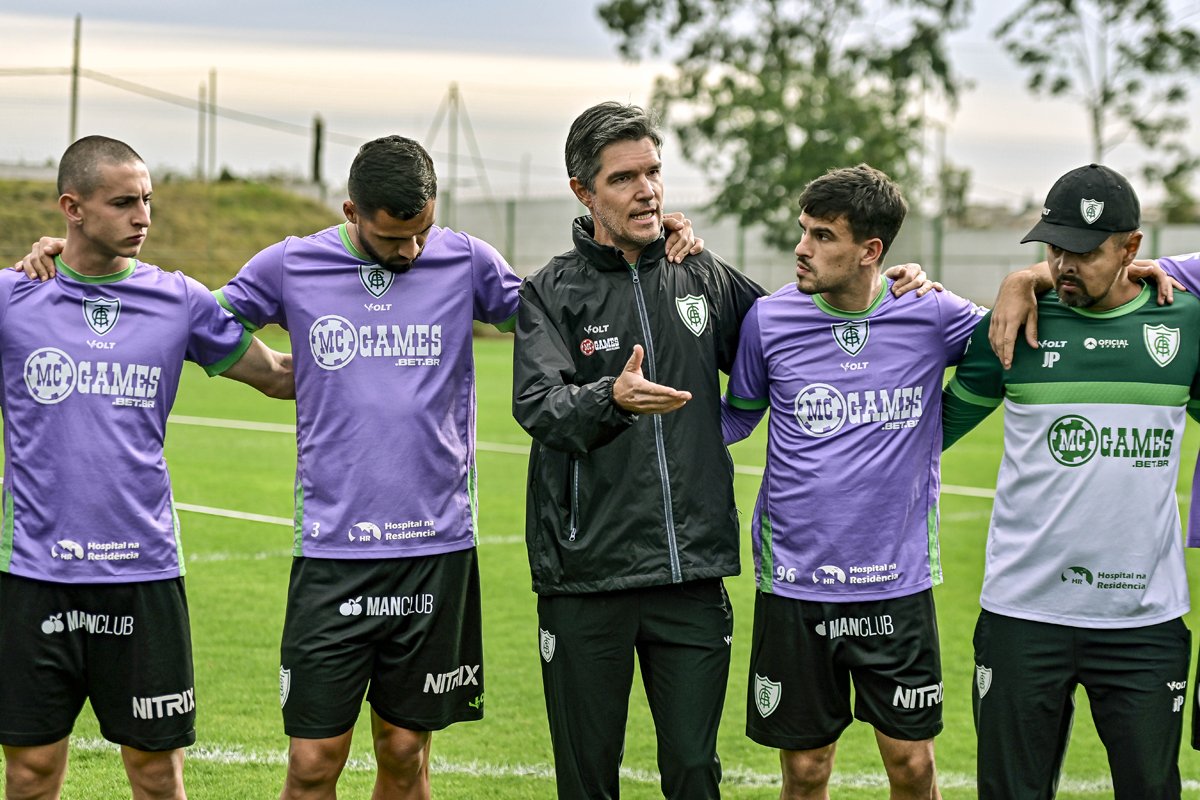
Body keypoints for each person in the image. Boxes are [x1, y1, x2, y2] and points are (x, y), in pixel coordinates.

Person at [13, 134, 705, 800]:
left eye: (420, 234)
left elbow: (565, 305)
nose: (408, 252)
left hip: (437, 550)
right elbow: (189, 322)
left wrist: (639, 244)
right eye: (390, 237)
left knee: (406, 753)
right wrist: (60, 270)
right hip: (331, 551)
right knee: (314, 761)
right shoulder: (290, 264)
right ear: (351, 214)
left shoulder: (464, 260)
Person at [0, 135, 293, 800]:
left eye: (149, 201)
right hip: (34, 576)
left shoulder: (179, 301)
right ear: (71, 208)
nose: (144, 218)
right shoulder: (12, 299)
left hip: (144, 573)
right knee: (31, 772)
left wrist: (362, 342)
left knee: (157, 774)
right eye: (125, 202)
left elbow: (276, 377)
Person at [721, 165, 985, 800]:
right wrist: (652, 421)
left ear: (871, 251)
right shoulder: (768, 320)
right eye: (803, 231)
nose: (802, 248)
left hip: (895, 582)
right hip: (795, 581)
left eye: (822, 236)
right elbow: (738, 417)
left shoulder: (930, 314)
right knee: (806, 770)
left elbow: (1005, 347)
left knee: (912, 765)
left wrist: (935, 430)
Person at [942, 164, 1196, 799]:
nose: (1063, 264)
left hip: (1143, 622)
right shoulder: (1015, 325)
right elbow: (931, 434)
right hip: (1024, 616)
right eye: (1053, 248)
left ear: (1131, 248)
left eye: (1084, 251)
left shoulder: (1186, 326)